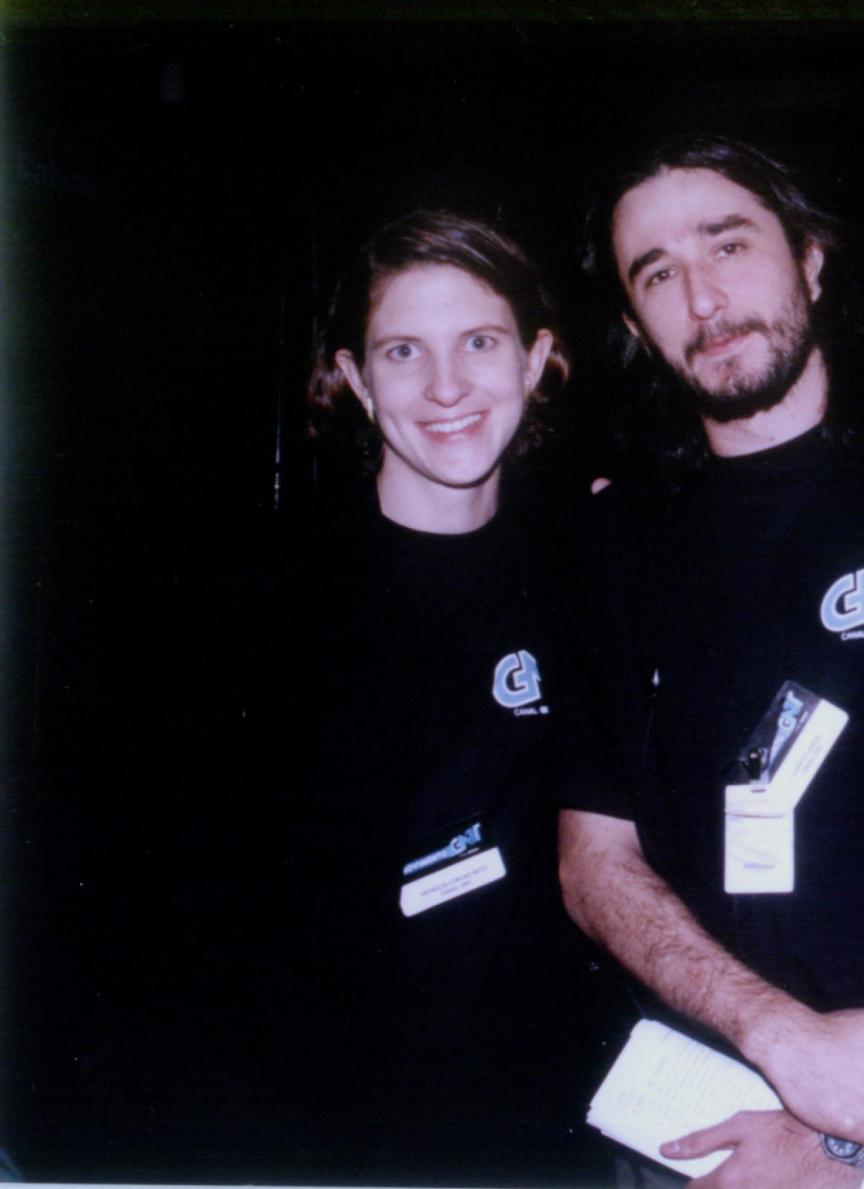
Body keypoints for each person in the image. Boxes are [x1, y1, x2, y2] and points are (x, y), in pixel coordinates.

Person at [560, 134, 864, 1187]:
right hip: (698, 1106)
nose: (703, 297)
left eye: (729, 244)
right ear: (635, 323)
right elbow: (593, 863)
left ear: (811, 260)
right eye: (658, 274)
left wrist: (850, 1113)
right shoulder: (612, 540)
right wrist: (781, 1037)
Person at [270, 210, 619, 1183]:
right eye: (403, 351)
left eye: (478, 342)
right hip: (342, 1125)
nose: (447, 386)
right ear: (354, 378)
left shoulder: (591, 567)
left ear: (536, 359)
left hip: (557, 1118)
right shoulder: (273, 600)